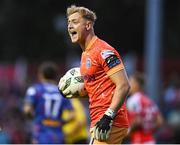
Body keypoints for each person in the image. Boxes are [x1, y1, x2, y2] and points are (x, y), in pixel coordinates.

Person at [60, 5, 131, 144]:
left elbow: (124, 85)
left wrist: (108, 116)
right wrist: (77, 91)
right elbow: (98, 87)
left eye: (74, 22)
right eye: (68, 22)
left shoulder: (103, 51)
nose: (69, 26)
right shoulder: (85, 55)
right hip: (99, 119)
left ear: (88, 25)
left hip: (109, 121)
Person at [23, 61, 75, 144]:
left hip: (41, 133)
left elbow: (27, 110)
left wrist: (35, 118)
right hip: (58, 136)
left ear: (41, 75)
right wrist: (60, 122)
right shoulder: (62, 92)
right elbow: (72, 115)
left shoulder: (35, 90)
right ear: (55, 76)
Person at [126, 72, 163, 144]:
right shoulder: (149, 101)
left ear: (137, 84)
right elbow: (159, 121)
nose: (128, 84)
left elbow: (138, 121)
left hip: (139, 140)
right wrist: (148, 130)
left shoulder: (133, 100)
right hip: (150, 140)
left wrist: (127, 133)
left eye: (130, 81)